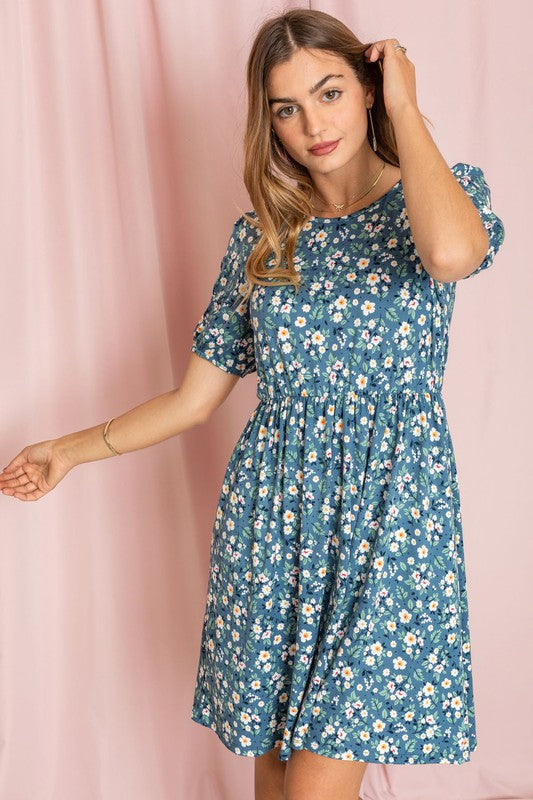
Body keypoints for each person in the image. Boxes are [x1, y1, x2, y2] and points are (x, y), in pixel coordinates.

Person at [0, 8, 505, 800]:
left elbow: (451, 255)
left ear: (368, 90)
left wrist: (406, 106)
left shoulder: (437, 196)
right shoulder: (263, 237)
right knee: (272, 784)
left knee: (312, 789)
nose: (313, 123)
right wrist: (67, 449)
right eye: (286, 107)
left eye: (331, 92)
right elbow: (195, 399)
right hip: (272, 526)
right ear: (266, 121)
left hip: (391, 526)